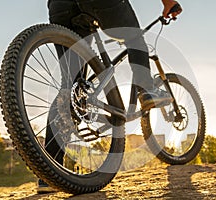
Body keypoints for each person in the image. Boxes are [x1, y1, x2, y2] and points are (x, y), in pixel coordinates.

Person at [37, 0, 182, 193]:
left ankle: (49, 174)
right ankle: (147, 90)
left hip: (59, 5)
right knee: (134, 39)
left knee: (70, 85)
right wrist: (168, 3)